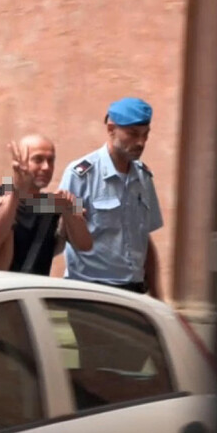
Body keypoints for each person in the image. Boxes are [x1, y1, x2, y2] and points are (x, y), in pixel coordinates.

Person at [58, 97, 163, 297]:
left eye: (145, 135)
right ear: (111, 129)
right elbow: (58, 217)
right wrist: (13, 195)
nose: (141, 142)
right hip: (90, 291)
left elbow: (144, 240)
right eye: (133, 134)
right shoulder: (82, 175)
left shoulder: (143, 178)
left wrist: (157, 296)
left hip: (134, 293)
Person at [0, 134, 92, 274]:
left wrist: (69, 211)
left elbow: (85, 245)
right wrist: (15, 193)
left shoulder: (57, 201)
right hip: (1, 286)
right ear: (19, 162)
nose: (46, 167)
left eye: (51, 160)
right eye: (38, 160)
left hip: (35, 287)